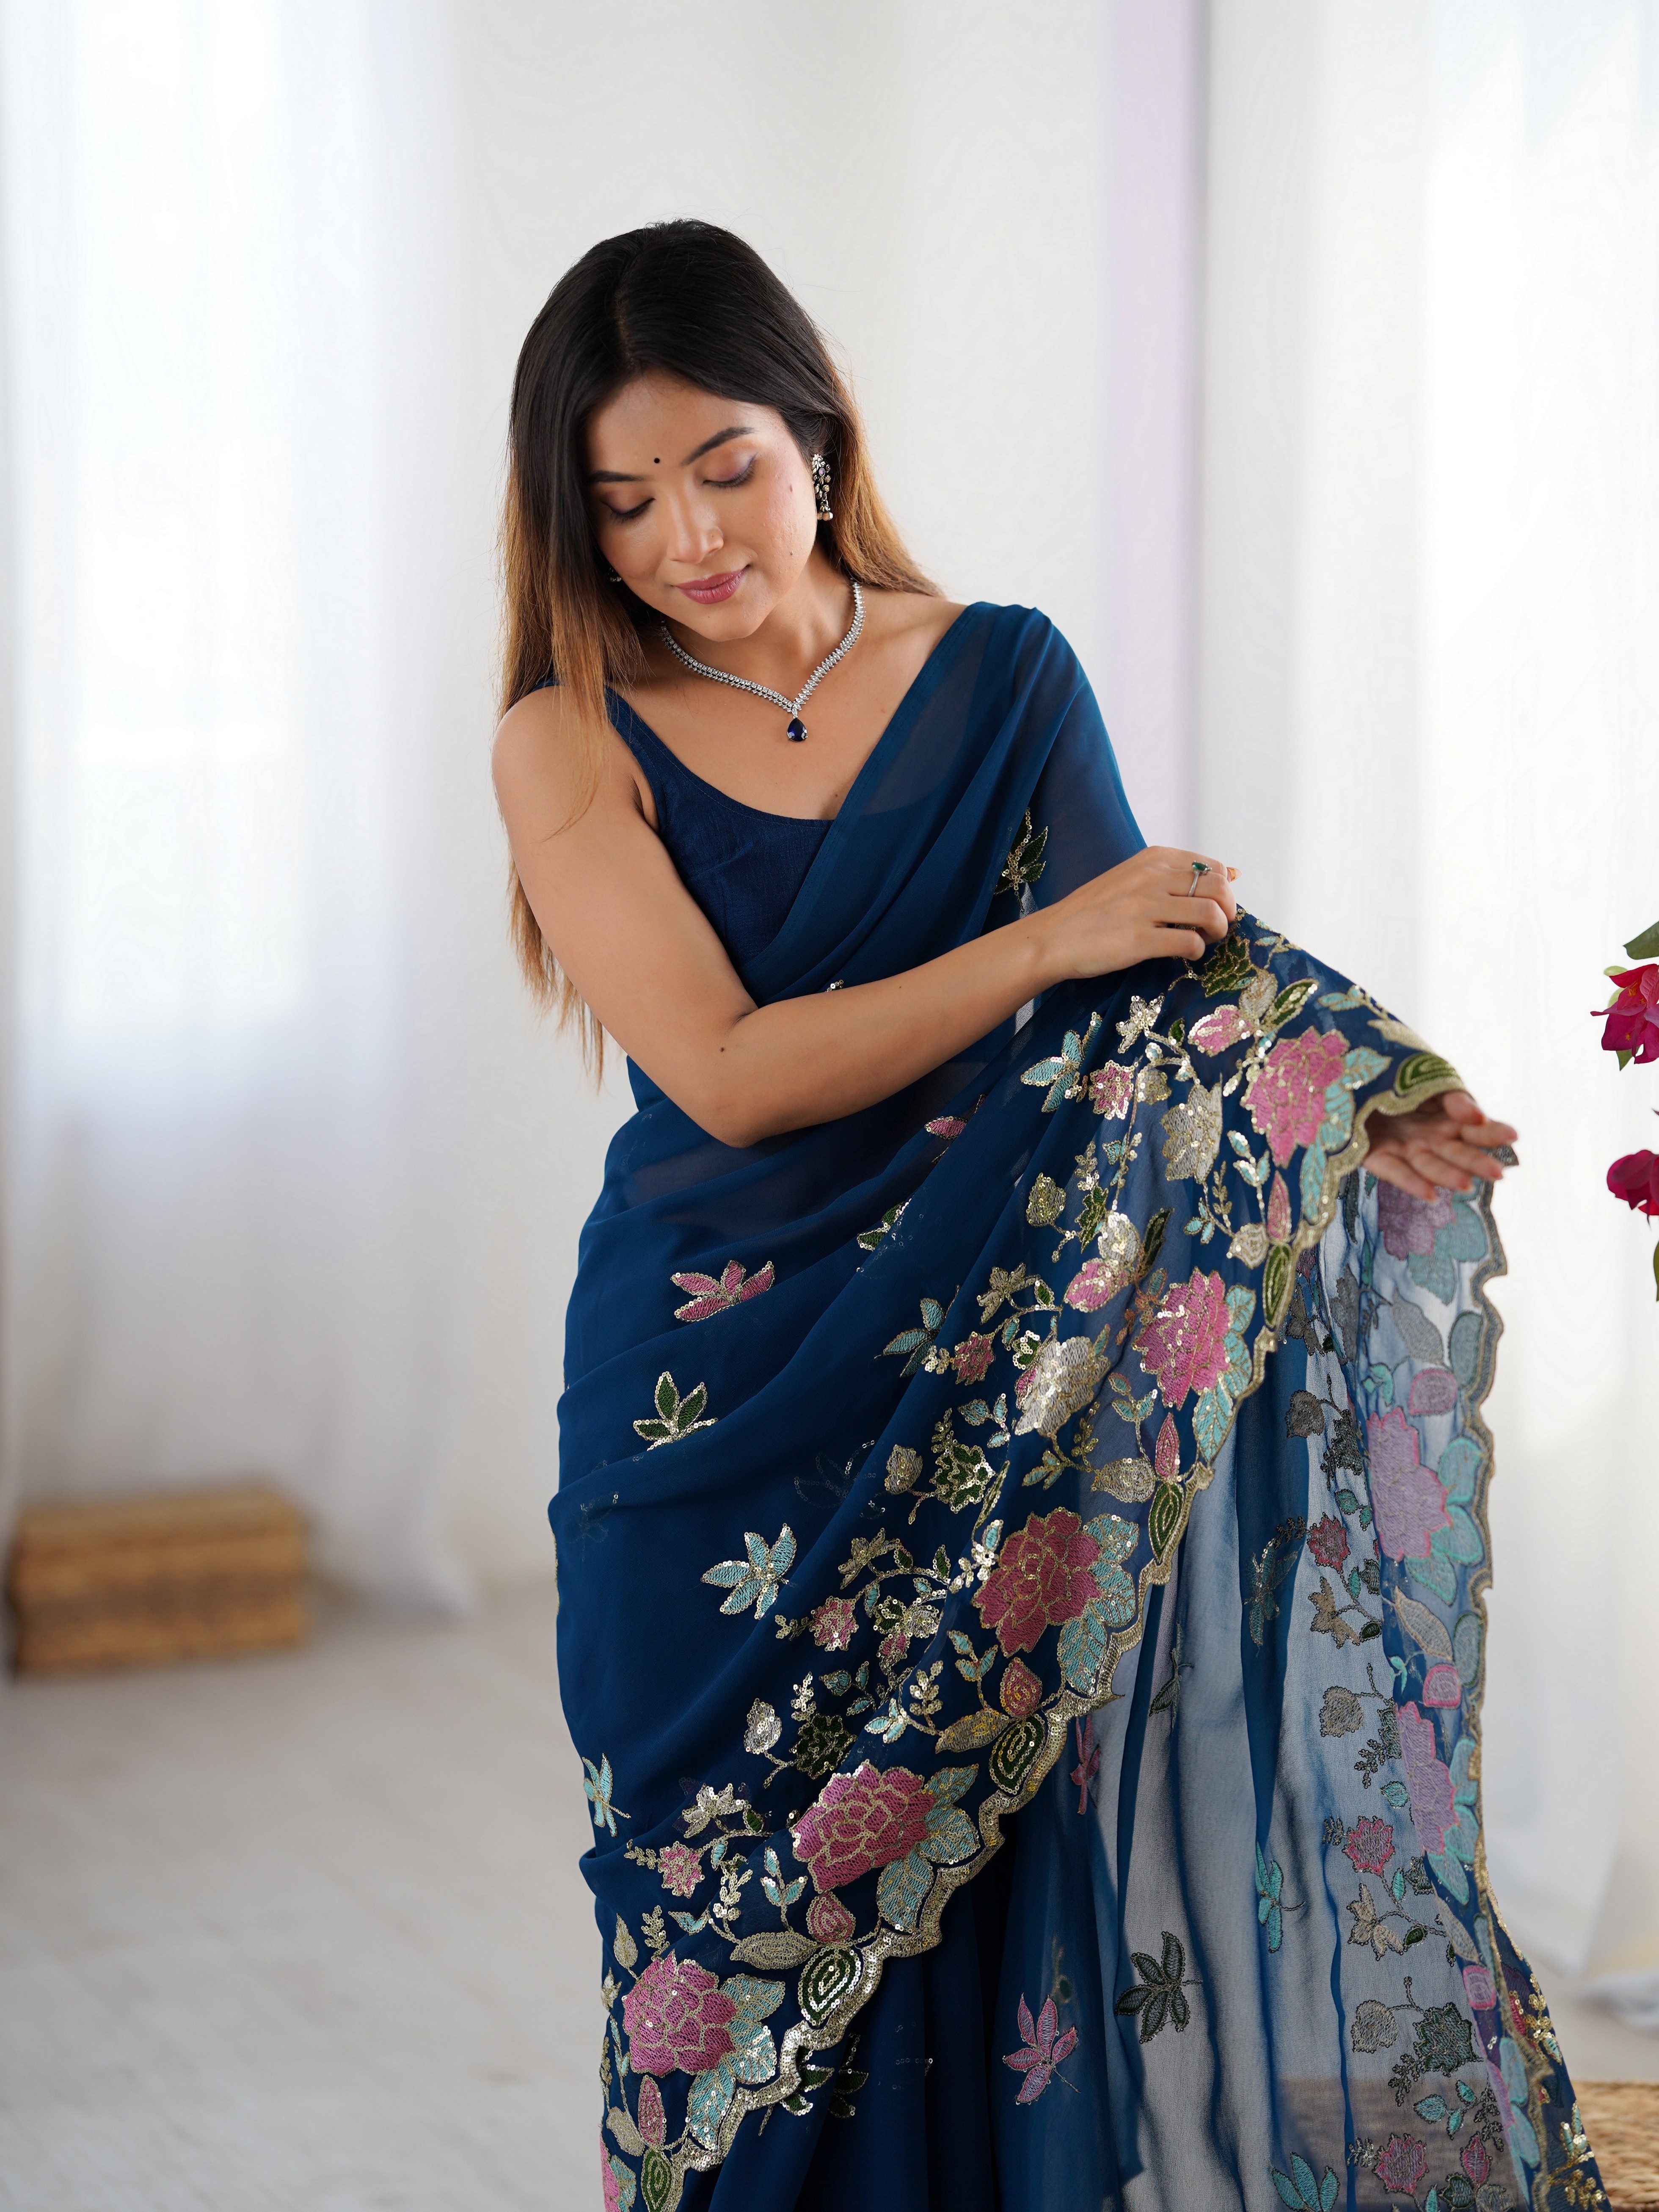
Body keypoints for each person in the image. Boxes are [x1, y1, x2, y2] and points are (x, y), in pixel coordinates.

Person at [493, 221, 1600, 2212]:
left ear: (815, 434)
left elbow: (1151, 966)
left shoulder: (998, 670)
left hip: (991, 1373)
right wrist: (1032, 944)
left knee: (990, 1902)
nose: (685, 537)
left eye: (721, 466)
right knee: (717, 1934)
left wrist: (1351, 1092)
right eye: (624, 498)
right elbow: (729, 1070)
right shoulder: (566, 730)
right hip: (705, 1398)